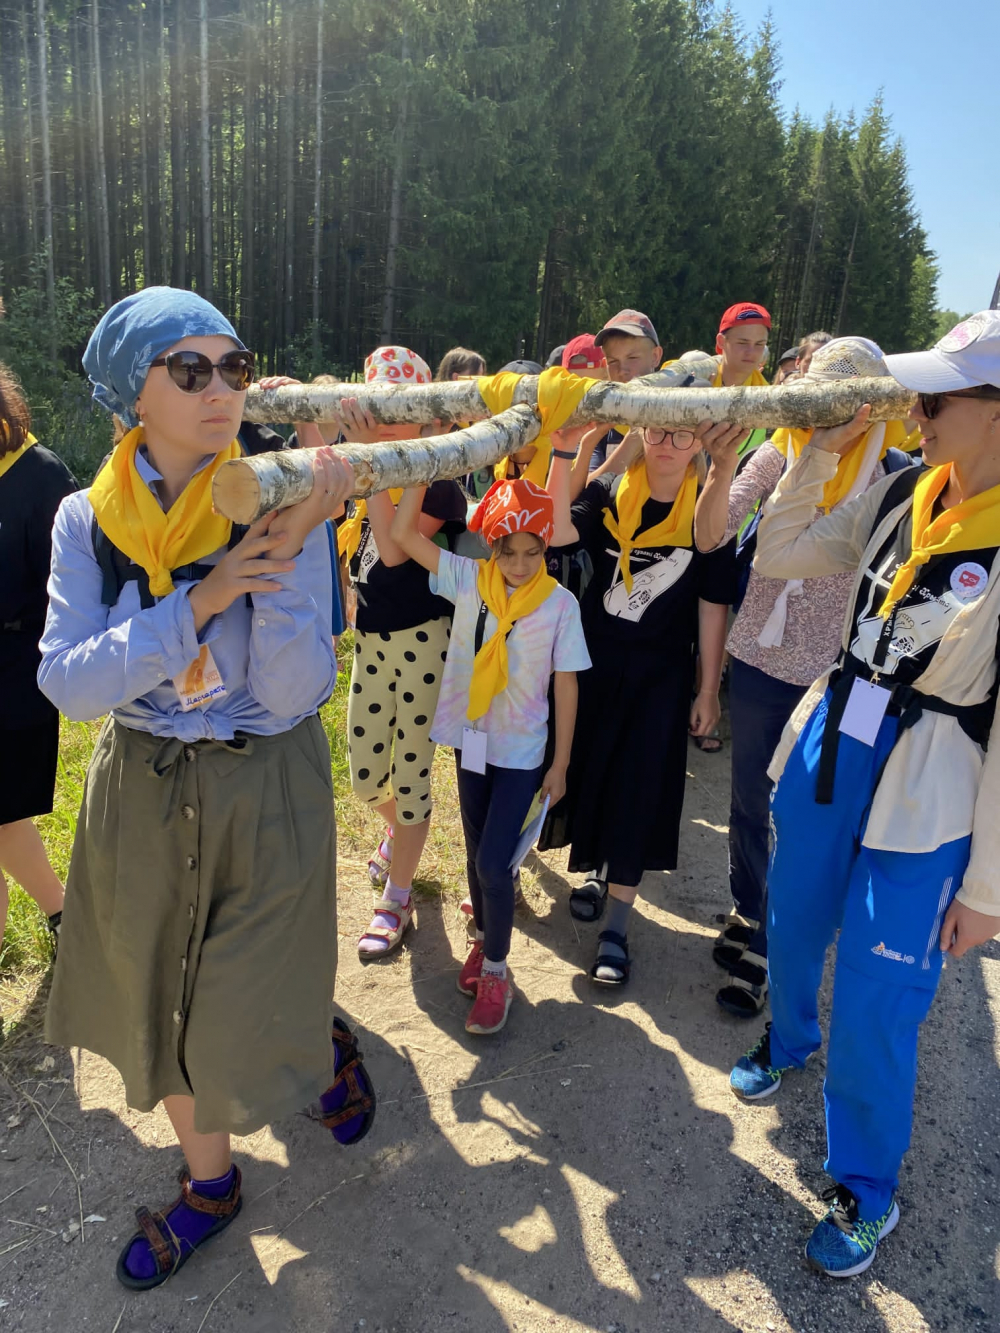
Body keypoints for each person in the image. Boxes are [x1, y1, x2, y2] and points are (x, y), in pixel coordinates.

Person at [38, 287, 373, 1291]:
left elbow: (296, 692)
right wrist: (204, 598)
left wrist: (286, 556)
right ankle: (212, 1185)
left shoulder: (278, 492)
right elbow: (69, 683)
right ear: (131, 392)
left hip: (264, 776)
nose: (221, 387)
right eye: (190, 369)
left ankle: (315, 1042)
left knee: (248, 990)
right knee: (166, 1003)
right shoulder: (86, 520)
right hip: (141, 786)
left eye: (235, 366)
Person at [728, 312, 1000, 1277]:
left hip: (931, 778)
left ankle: (866, 1187)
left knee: (882, 990)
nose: (916, 409)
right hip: (837, 736)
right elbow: (776, 552)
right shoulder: (895, 492)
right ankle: (790, 1035)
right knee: (794, 913)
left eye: (937, 396)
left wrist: (987, 889)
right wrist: (816, 445)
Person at [694, 337, 916, 1018]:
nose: (831, 416)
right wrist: (721, 467)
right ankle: (750, 909)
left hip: (840, 678)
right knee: (748, 801)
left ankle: (775, 941)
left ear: (872, 407)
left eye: (845, 402)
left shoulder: (897, 477)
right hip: (761, 659)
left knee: (810, 815)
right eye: (822, 399)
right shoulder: (782, 451)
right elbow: (710, 536)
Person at [538, 414, 743, 984]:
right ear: (639, 433)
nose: (667, 445)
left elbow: (712, 603)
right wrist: (565, 453)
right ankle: (596, 872)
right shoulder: (609, 491)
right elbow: (556, 532)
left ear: (698, 441)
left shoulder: (707, 510)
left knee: (639, 787)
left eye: (682, 435)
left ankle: (617, 926)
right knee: (594, 776)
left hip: (661, 678)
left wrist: (707, 688)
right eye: (656, 431)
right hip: (595, 667)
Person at [390, 477, 590, 1032]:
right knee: (477, 850)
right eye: (508, 552)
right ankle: (484, 939)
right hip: (472, 741)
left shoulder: (560, 605)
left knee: (494, 864)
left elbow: (567, 684)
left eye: (532, 552)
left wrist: (560, 763)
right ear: (490, 547)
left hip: (522, 752)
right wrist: (419, 467)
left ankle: (497, 970)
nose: (520, 565)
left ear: (545, 548)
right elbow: (404, 534)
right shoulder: (468, 579)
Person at [337, 346, 466, 956]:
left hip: (422, 643)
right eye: (377, 409)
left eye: (399, 411)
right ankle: (402, 834)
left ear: (426, 418)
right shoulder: (371, 466)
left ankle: (398, 896)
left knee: (411, 773)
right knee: (365, 776)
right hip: (372, 641)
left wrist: (374, 468)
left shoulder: (438, 482)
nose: (385, 423)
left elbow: (392, 550)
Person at [0, 364, 76, 977]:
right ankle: (65, 917)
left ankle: (66, 916)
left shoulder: (41, 474)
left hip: (15, 670)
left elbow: (73, 588)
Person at [569, 310, 663, 480]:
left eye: (632, 358)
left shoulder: (681, 411)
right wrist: (635, 434)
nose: (622, 370)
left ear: (655, 356)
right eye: (613, 361)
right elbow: (587, 490)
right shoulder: (600, 418)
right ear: (605, 364)